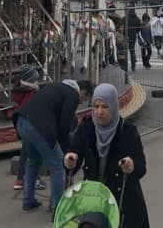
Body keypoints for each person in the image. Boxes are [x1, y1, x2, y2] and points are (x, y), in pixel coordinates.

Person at [64, 82, 149, 228]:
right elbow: (74, 152)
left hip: (124, 201)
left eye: (105, 107)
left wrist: (131, 165)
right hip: (95, 201)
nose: (99, 112)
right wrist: (70, 160)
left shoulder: (127, 131)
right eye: (96, 106)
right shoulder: (87, 127)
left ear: (114, 107)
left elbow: (141, 166)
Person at [16, 78, 92, 216]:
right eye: (84, 98)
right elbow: (64, 125)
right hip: (38, 127)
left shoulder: (56, 86)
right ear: (83, 92)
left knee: (33, 161)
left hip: (22, 121)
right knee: (57, 165)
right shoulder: (72, 95)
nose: (81, 102)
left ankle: (28, 200)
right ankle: (58, 208)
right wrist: (65, 150)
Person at [11, 64, 45, 192]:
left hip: (22, 124)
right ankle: (34, 179)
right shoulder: (31, 93)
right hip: (32, 124)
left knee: (26, 152)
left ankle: (20, 179)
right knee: (34, 155)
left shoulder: (21, 91)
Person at [127, 8, 141, 72]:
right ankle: (133, 65)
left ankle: (125, 65)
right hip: (133, 35)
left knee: (124, 50)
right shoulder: (137, 19)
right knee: (132, 50)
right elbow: (139, 29)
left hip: (127, 35)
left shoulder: (126, 18)